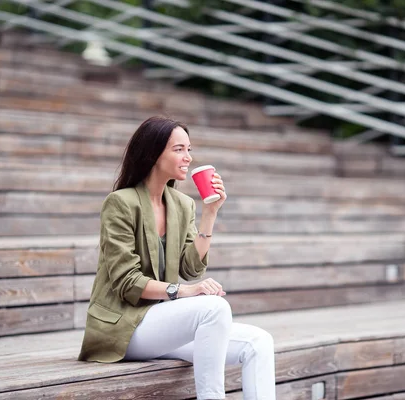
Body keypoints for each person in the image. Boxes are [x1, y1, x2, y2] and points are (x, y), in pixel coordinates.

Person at [78, 116, 276, 400]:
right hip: (122, 328)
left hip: (160, 325)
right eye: (179, 149)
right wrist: (187, 292)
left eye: (189, 149)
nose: (188, 158)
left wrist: (210, 213)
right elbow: (127, 282)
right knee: (214, 308)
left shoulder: (182, 205)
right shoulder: (120, 203)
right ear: (153, 153)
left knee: (259, 342)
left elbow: (191, 267)